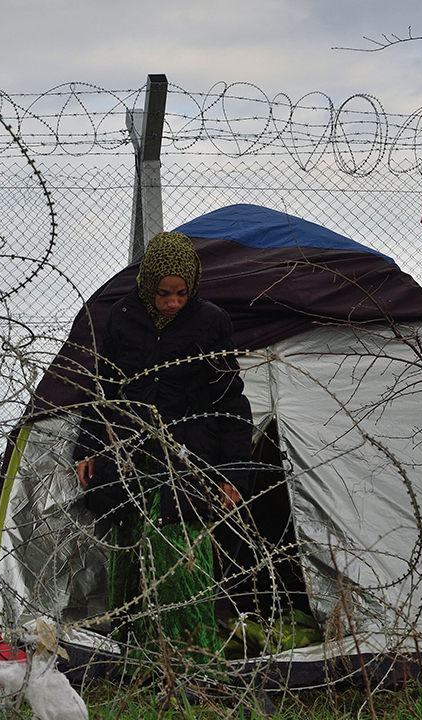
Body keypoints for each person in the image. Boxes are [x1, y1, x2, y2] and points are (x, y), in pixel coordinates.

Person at [75, 231, 253, 659]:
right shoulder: (122, 317)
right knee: (133, 555)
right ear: (147, 286)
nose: (173, 302)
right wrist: (89, 448)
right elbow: (106, 390)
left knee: (180, 558)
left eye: (181, 293)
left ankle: (190, 660)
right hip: (132, 456)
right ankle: (137, 657)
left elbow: (230, 400)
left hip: (188, 457)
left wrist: (233, 473)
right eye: (163, 293)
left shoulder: (210, 322)